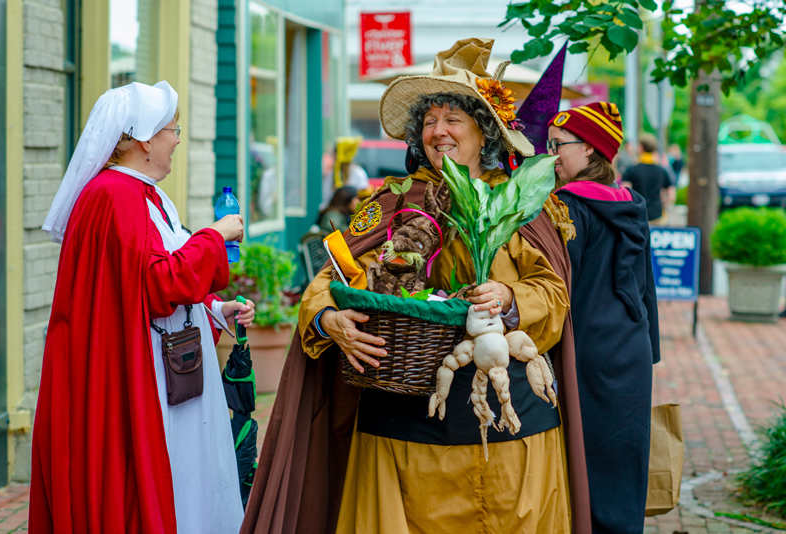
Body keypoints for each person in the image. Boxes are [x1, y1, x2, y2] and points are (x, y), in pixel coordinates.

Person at [243, 38, 592, 534]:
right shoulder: (393, 200)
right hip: (404, 427)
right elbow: (329, 278)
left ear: (484, 130)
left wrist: (511, 298)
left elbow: (555, 294)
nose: (439, 131)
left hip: (510, 417)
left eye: (453, 118)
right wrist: (329, 318)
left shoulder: (522, 204)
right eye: (429, 121)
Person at [31, 81, 254, 534]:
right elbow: (157, 284)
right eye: (172, 129)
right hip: (141, 380)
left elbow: (143, 282)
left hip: (161, 373)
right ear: (144, 139)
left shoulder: (142, 194)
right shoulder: (118, 197)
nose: (176, 139)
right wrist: (214, 236)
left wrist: (214, 309)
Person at [548, 102, 660, 533]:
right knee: (625, 454)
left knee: (584, 459)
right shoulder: (633, 202)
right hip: (631, 349)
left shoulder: (567, 207)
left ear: (591, 150)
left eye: (559, 146)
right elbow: (645, 285)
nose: (552, 154)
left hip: (585, 349)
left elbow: (556, 287)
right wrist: (650, 350)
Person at [622, 133, 675, 224]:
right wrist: (661, 205)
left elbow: (624, 193)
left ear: (641, 148)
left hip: (637, 216)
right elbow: (671, 196)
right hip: (657, 215)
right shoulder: (662, 171)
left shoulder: (631, 170)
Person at [320, 137, 370, 209]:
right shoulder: (331, 175)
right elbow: (325, 200)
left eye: (335, 153)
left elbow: (363, 198)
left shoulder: (358, 174)